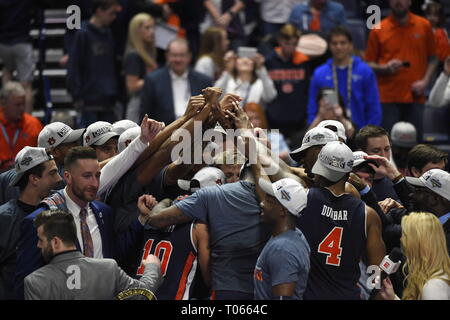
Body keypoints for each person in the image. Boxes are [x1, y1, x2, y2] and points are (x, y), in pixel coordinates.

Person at [14, 146, 152, 299]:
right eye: (87, 176)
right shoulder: (41, 220)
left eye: (97, 175)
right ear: (67, 177)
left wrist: (142, 219)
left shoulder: (104, 212)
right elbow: (25, 283)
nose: (94, 183)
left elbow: (114, 255)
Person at [296, 141, 386, 299]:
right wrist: (375, 293)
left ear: (320, 172)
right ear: (348, 174)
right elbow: (376, 271)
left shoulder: (303, 198)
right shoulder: (368, 215)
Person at [24, 210, 163, 300]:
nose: (38, 245)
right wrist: (152, 266)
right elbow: (144, 293)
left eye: (41, 240)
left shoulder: (34, 282)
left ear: (55, 242)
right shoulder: (109, 268)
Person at [364, 0, 438, 137]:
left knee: (416, 147)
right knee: (387, 145)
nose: (399, 2)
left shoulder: (424, 25)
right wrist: (384, 68)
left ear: (410, 2)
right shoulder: (378, 29)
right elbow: (368, 63)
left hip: (415, 96)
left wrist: (425, 82)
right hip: (388, 97)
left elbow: (434, 58)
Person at [0, 147, 61, 300]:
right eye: (52, 173)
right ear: (34, 179)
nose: (59, 179)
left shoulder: (59, 210)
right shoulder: (4, 218)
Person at [307, 26, 382, 130]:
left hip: (359, 131)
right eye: (335, 43)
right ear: (329, 46)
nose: (338, 47)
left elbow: (373, 107)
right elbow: (312, 107)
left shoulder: (365, 71)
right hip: (328, 133)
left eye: (343, 43)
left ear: (350, 45)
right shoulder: (320, 73)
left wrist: (369, 134)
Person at [67, 0, 122, 127]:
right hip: (89, 100)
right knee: (88, 142)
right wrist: (76, 95)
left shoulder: (109, 33)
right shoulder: (82, 34)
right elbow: (74, 66)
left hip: (108, 99)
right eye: (111, 13)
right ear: (99, 11)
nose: (114, 17)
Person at [254, 177, 310, 300]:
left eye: (268, 201)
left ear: (282, 211)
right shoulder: (294, 235)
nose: (262, 203)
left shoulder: (283, 249)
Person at [140, 38, 213, 124]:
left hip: (195, 132)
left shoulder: (204, 81)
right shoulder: (153, 80)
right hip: (163, 133)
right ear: (167, 56)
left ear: (189, 57)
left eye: (182, 55)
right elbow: (144, 116)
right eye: (174, 55)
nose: (178, 59)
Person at [380, 212, 450, 300]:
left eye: (405, 235)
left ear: (418, 242)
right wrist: (393, 298)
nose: (401, 239)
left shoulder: (434, 287)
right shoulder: (432, 278)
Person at [264, 24, 311, 141]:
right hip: (274, 120)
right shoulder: (268, 61)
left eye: (295, 44)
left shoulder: (303, 61)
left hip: (298, 121)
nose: (291, 48)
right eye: (287, 43)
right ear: (280, 40)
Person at [0, 0, 35, 113]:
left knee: (7, 71)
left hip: (3, 43)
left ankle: (5, 114)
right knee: (26, 85)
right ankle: (27, 118)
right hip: (22, 42)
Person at [0, 82, 43, 171]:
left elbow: (44, 156)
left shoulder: (33, 124)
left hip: (26, 177)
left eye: (23, 104)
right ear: (3, 103)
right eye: (17, 105)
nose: (22, 108)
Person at [124, 13, 158, 123]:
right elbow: (132, 85)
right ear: (136, 31)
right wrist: (156, 79)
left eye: (153, 27)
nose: (152, 31)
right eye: (147, 28)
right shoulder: (134, 55)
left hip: (148, 101)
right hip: (137, 104)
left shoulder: (148, 53)